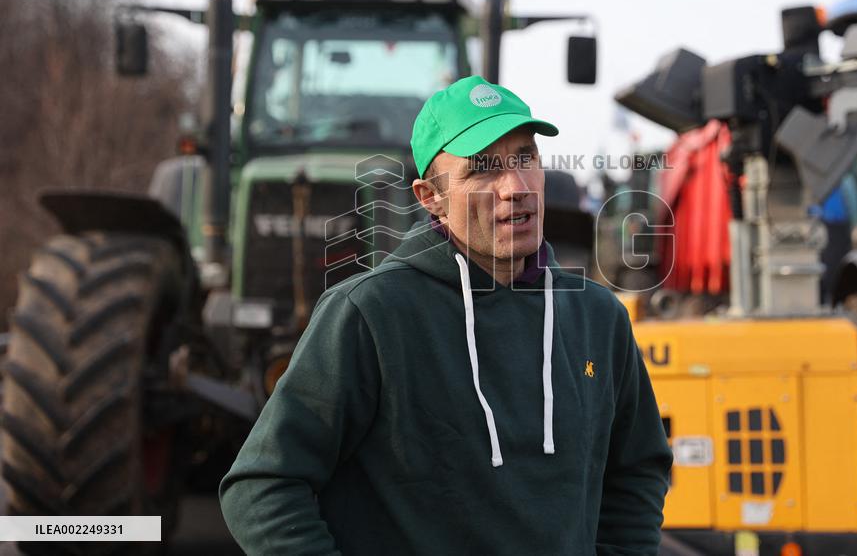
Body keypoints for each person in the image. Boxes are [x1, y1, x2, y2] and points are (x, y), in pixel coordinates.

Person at [219, 75, 673, 555]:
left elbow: (638, 469)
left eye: (525, 158)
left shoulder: (598, 318)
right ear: (429, 197)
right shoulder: (371, 315)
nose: (516, 187)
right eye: (483, 169)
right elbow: (261, 486)